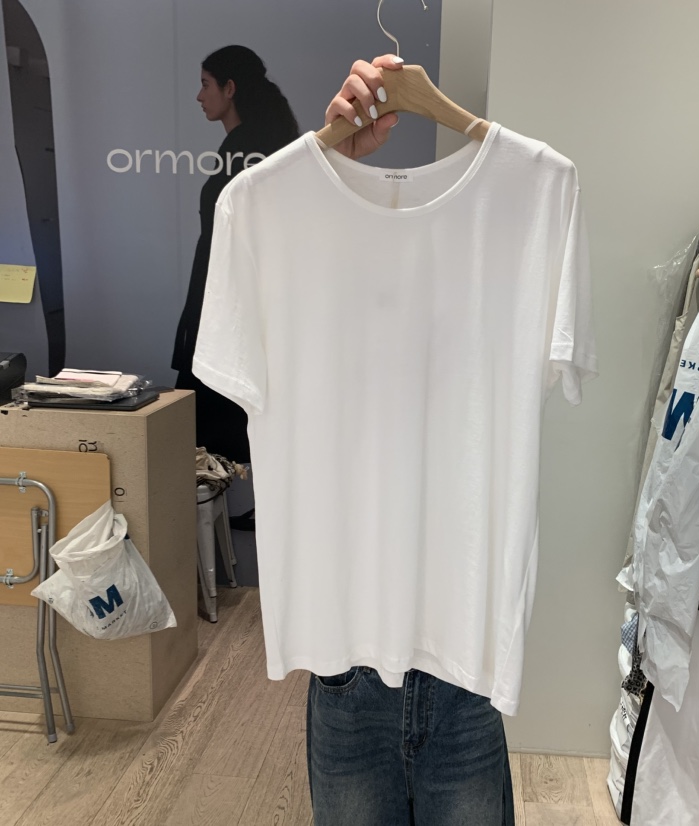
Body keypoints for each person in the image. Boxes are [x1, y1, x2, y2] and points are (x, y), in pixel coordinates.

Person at [305, 55, 516, 826]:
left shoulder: (529, 206)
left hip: (465, 654)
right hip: (348, 654)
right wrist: (326, 167)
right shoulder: (279, 218)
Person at [172, 45, 299, 463]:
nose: (199, 96)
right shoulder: (260, 145)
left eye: (205, 84)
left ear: (230, 88)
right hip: (238, 302)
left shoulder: (247, 149)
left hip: (229, 304)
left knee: (210, 430)